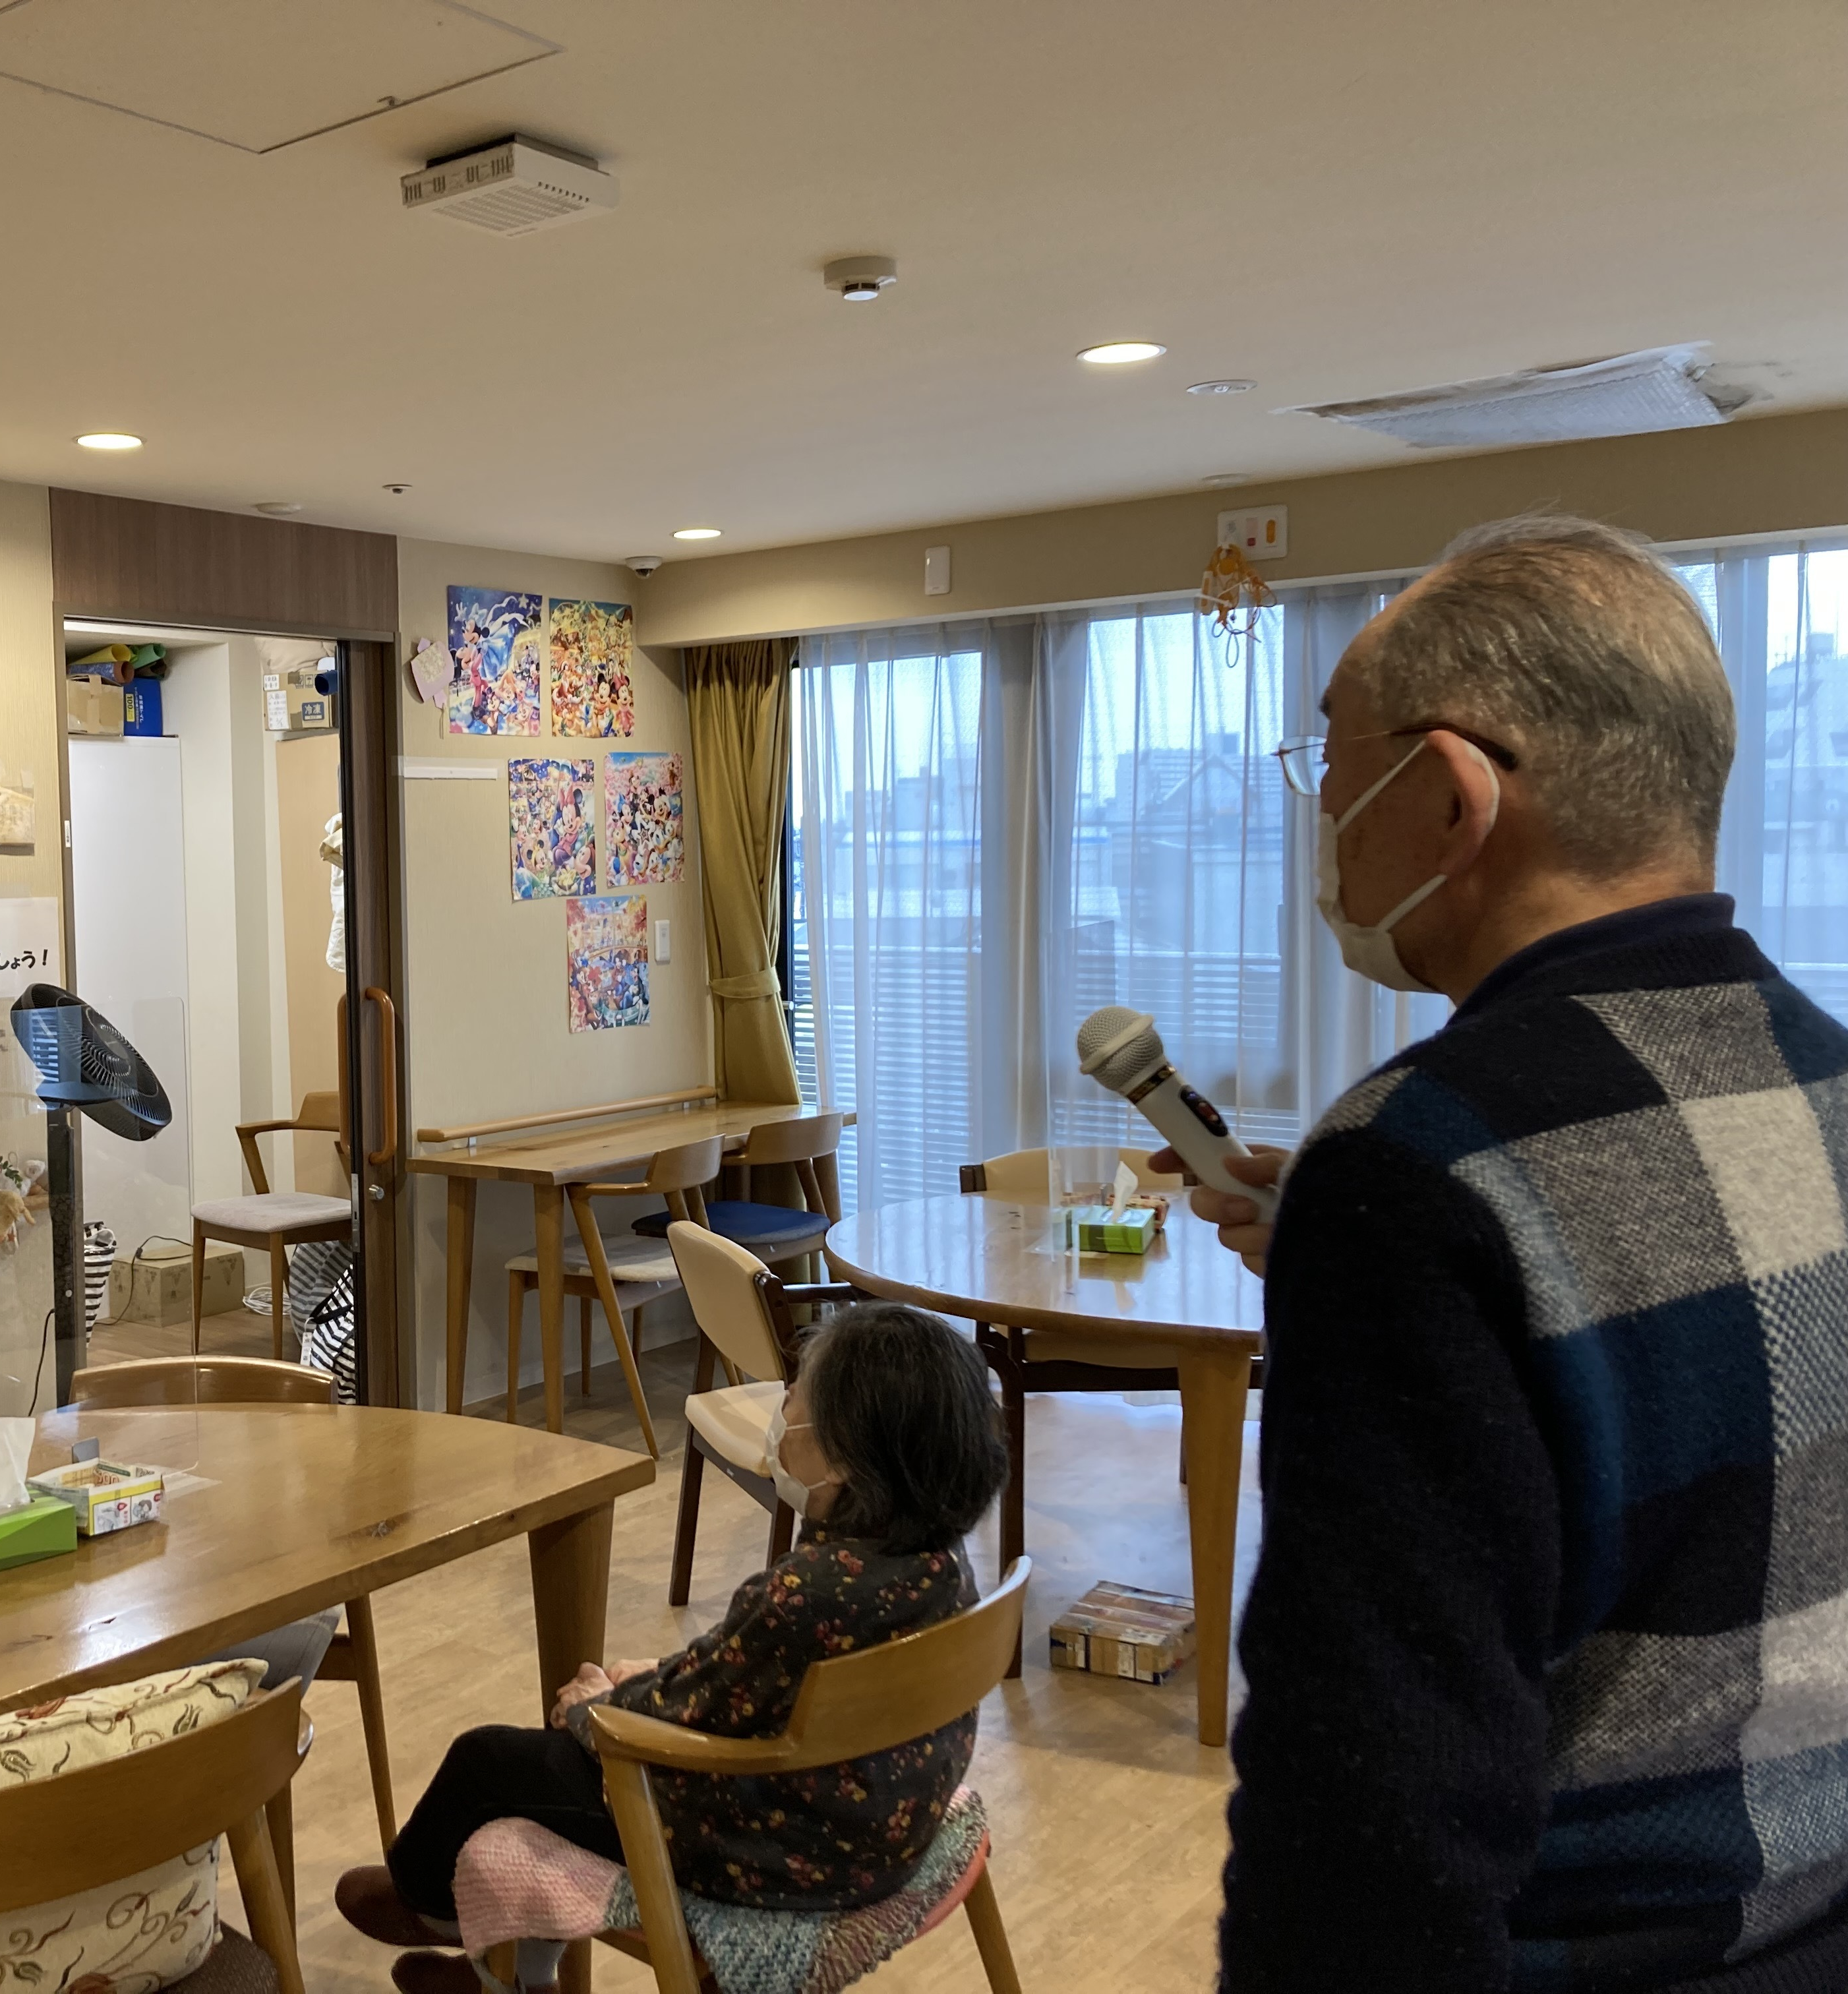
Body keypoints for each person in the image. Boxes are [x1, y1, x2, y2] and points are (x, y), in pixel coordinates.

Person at [1157, 515, 1848, 1991]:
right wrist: (1372, 1271)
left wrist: (1386, 1242)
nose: (1319, 810)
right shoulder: (1826, 1078)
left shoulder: (1420, 1162)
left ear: (1450, 793)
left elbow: (1374, 1824)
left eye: (1328, 761)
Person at [334, 1303, 1008, 1994]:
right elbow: (743, 1680)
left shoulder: (805, 1595)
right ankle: (510, 1967)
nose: (782, 1408)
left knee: (490, 1761)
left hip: (775, 1849)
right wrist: (661, 1673)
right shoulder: (939, 1566)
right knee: (565, 1747)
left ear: (844, 1461)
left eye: (796, 1398)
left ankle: (427, 1902)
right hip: (887, 1823)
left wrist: (594, 1707)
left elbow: (673, 1716)